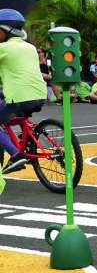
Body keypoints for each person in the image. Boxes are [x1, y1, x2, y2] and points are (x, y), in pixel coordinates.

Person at [0, 9, 48, 174]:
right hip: (40, 95)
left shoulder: (4, 48)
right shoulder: (30, 47)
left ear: (5, 31)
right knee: (17, 112)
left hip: (18, 98)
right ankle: (26, 139)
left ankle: (15, 154)